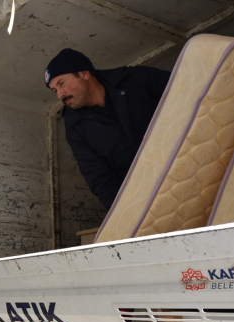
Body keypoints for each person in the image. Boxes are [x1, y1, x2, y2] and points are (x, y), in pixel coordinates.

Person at [45, 48, 170, 209]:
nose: (60, 94)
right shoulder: (75, 129)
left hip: (186, 159)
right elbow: (100, 179)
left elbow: (187, 91)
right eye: (55, 90)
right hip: (148, 195)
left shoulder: (134, 79)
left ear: (84, 73)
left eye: (61, 83)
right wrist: (125, 214)